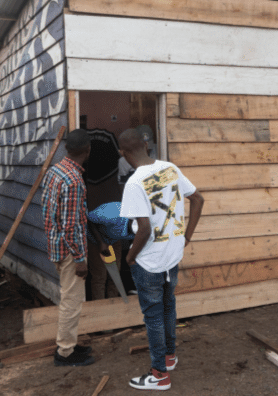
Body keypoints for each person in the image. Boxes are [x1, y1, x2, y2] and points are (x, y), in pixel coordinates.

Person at [118, 128, 204, 391]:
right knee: (168, 306)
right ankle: (169, 357)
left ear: (122, 154)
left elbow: (143, 230)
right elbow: (198, 200)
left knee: (153, 316)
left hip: (149, 261)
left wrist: (130, 258)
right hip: (171, 255)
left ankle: (159, 376)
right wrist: (186, 237)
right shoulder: (170, 169)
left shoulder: (134, 184)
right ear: (146, 145)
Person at [40, 129, 96, 367]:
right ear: (87, 151)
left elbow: (49, 210)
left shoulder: (55, 171)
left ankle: (69, 344)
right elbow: (71, 225)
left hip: (55, 245)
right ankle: (64, 353)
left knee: (69, 299)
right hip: (69, 251)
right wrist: (80, 258)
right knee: (71, 301)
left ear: (66, 148)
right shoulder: (73, 180)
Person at [86, 201, 135, 299]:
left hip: (113, 239)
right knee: (100, 276)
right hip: (95, 240)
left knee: (115, 275)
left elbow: (135, 238)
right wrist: (101, 243)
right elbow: (89, 219)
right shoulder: (112, 216)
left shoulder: (140, 224)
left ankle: (113, 304)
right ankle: (100, 306)